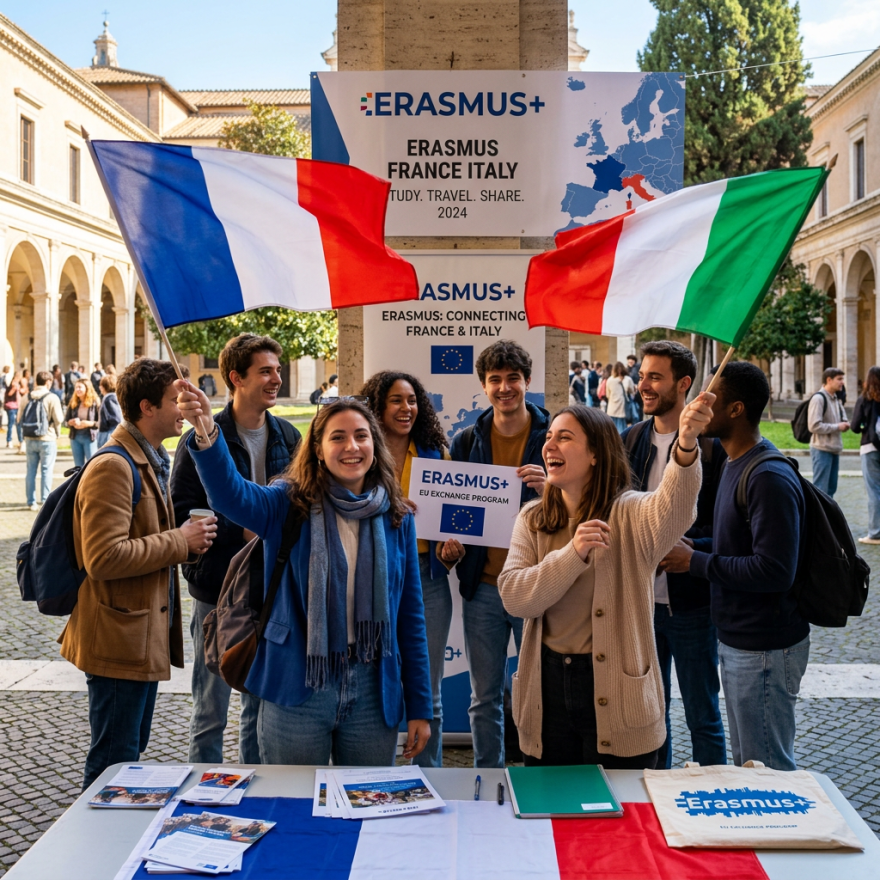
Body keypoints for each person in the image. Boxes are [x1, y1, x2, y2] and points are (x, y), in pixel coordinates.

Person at [175, 387, 432, 766]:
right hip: (298, 683)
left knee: (362, 811)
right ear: (317, 448)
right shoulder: (287, 503)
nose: (352, 447)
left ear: (375, 445)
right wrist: (206, 432)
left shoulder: (397, 517)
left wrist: (420, 708)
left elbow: (410, 617)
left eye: (361, 436)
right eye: (338, 437)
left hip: (373, 690)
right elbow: (231, 496)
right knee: (289, 805)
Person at [497, 393, 711, 768]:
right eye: (549, 436)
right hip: (546, 690)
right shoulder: (531, 518)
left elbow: (675, 508)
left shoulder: (630, 513)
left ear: (595, 453)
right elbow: (515, 598)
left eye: (565, 437)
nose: (550, 444)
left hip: (620, 696)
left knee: (622, 819)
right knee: (555, 815)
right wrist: (572, 554)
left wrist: (687, 444)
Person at [60, 358, 218, 789]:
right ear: (147, 408)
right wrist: (180, 542)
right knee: (113, 761)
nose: (182, 408)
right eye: (173, 400)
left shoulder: (150, 457)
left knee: (129, 751)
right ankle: (98, 846)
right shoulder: (114, 466)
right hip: (117, 639)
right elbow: (103, 557)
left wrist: (185, 544)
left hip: (138, 634)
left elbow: (144, 538)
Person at [663, 361, 808, 771]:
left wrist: (696, 561)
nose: (697, 404)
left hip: (764, 644)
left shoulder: (767, 476)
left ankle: (777, 836)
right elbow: (738, 544)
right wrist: (697, 545)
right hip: (738, 640)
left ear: (736, 409)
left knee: (767, 768)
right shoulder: (731, 462)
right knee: (749, 763)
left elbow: (775, 569)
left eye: (710, 398)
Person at [171, 334, 302, 765]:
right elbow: (185, 510)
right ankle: (201, 794)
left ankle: (253, 785)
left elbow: (302, 504)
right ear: (236, 378)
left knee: (259, 702)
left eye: (277, 371)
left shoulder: (289, 435)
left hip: (273, 587)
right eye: (265, 371)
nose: (275, 379)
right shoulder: (203, 439)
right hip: (217, 589)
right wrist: (244, 530)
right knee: (211, 707)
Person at [623, 341, 727, 768]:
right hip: (639, 604)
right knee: (651, 716)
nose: (643, 385)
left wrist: (689, 549)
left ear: (683, 384)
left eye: (654, 377)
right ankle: (656, 797)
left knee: (703, 716)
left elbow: (724, 528)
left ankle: (715, 793)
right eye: (642, 375)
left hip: (690, 606)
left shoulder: (713, 448)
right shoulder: (630, 438)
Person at [449, 340, 548, 768]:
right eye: (495, 380)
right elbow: (452, 513)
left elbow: (582, 501)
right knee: (483, 696)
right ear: (484, 388)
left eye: (512, 379)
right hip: (484, 588)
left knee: (538, 693)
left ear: (527, 382)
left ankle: (537, 775)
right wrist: (448, 546)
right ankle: (486, 777)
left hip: (536, 585)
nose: (504, 388)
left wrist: (551, 488)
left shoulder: (554, 436)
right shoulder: (466, 440)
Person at [361, 370, 466, 768]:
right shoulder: (363, 451)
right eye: (395, 400)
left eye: (411, 400)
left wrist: (450, 552)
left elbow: (452, 523)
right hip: (375, 575)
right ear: (377, 406)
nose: (406, 408)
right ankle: (380, 775)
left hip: (427, 577)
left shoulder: (436, 455)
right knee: (377, 690)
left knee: (430, 691)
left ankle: (432, 778)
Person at [18, 370, 64, 511]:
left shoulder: (27, 397)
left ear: (37, 382)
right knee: (46, 470)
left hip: (30, 438)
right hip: (47, 438)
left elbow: (19, 418)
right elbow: (59, 419)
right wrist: (57, 432)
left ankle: (31, 501)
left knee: (30, 470)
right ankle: (45, 501)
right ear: (48, 382)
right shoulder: (52, 397)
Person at [808, 368, 849, 498]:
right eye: (839, 379)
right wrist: (838, 427)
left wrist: (844, 424)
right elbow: (814, 426)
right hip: (821, 449)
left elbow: (843, 419)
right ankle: (818, 518)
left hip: (834, 448)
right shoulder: (818, 399)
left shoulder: (836, 398)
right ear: (829, 380)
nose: (842, 382)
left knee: (831, 489)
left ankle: (828, 518)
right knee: (821, 490)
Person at [851, 366, 880, 545]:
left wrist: (864, 428)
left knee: (874, 491)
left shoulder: (864, 399)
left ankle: (875, 532)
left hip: (870, 447)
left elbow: (854, 426)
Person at [65, 379, 101, 467]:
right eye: (76, 387)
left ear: (87, 388)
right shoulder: (73, 402)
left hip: (90, 438)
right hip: (75, 437)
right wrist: (71, 422)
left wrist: (89, 424)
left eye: (80, 387)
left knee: (92, 466)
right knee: (78, 468)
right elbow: (66, 421)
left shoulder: (95, 402)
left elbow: (101, 422)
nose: (77, 389)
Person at [605, 362, 635, 433]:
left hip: (612, 408)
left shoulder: (609, 380)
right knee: (622, 429)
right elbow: (632, 391)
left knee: (612, 430)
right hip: (622, 408)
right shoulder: (628, 379)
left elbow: (607, 395)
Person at [97, 374, 122, 448]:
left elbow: (116, 419)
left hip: (107, 433)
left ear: (104, 387)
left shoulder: (109, 398)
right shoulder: (112, 397)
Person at [4, 370, 24, 449]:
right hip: (11, 407)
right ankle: (9, 441)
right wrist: (14, 388)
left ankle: (20, 441)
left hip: (18, 406)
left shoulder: (19, 385)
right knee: (11, 424)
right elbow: (9, 394)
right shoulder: (11, 385)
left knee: (19, 425)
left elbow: (22, 392)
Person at [626, 354, 643, 422]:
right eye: (629, 362)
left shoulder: (636, 368)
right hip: (632, 391)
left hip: (637, 391)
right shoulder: (628, 369)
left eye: (631, 362)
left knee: (638, 408)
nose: (630, 363)